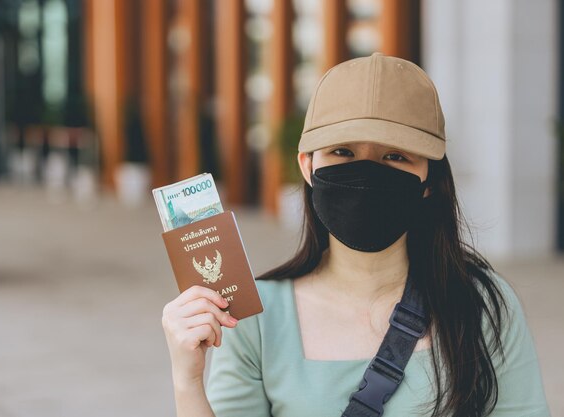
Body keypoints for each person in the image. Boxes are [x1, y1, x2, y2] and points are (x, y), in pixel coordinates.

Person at [161, 53, 551, 417]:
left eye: (395, 156)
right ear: (307, 165)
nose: (367, 173)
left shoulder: (480, 305)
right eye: (343, 152)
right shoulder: (255, 317)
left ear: (430, 179)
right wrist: (188, 379)